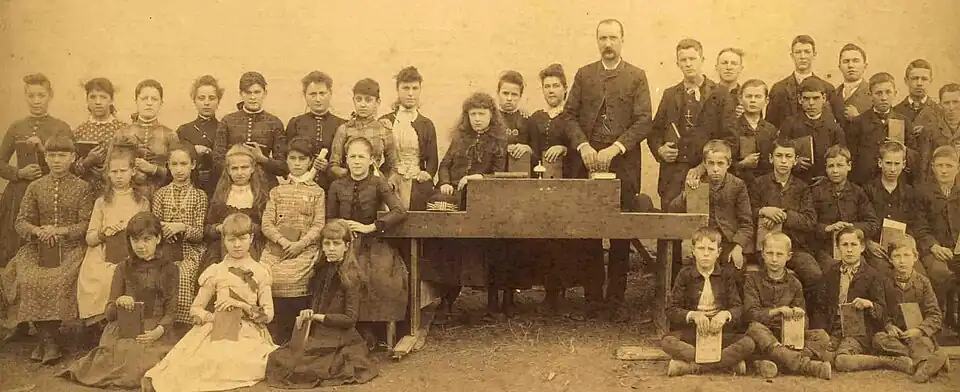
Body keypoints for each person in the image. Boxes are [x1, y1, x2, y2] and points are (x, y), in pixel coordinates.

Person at [561, 18, 654, 321]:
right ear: (597, 41)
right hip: (586, 163)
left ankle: (614, 301)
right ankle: (592, 299)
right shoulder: (584, 75)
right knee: (588, 231)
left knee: (620, 233)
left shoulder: (636, 76)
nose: (608, 43)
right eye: (603, 38)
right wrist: (584, 147)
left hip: (623, 165)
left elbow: (644, 120)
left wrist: (616, 148)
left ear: (623, 40)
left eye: (613, 37)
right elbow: (569, 115)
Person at [143, 213, 277, 392]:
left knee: (234, 361)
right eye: (231, 240)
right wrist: (211, 318)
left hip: (248, 331)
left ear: (251, 238)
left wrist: (242, 306)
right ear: (224, 240)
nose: (237, 245)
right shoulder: (216, 271)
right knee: (200, 362)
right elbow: (195, 309)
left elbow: (268, 315)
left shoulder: (261, 271)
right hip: (217, 327)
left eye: (242, 238)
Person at [59, 211, 179, 389]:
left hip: (156, 328)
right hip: (124, 328)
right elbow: (109, 314)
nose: (140, 246)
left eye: (146, 239)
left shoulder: (170, 269)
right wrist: (119, 302)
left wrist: (157, 332)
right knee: (118, 356)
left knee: (149, 360)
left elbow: (171, 311)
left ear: (158, 238)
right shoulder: (123, 268)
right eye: (135, 240)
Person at [0, 135, 93, 364]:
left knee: (58, 279)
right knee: (28, 276)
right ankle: (47, 339)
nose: (57, 161)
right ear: (46, 157)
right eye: (52, 156)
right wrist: (38, 231)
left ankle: (49, 340)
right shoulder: (35, 186)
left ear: (73, 158)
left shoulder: (83, 188)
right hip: (38, 247)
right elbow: (21, 221)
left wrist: (60, 231)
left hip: (71, 247)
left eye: (62, 156)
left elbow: (85, 223)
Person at [421, 92, 508, 323]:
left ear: (491, 115)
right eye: (472, 114)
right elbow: (445, 165)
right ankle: (447, 301)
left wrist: (477, 177)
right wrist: (446, 182)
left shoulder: (499, 141)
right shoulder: (460, 138)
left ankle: (492, 303)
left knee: (489, 249)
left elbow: (500, 173)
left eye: (481, 113)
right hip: (457, 200)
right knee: (451, 248)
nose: (477, 118)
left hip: (486, 202)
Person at [264, 220, 379, 388]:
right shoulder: (322, 269)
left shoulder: (351, 275)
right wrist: (309, 312)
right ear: (322, 246)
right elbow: (317, 303)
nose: (331, 248)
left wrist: (319, 317)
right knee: (278, 359)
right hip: (319, 332)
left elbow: (350, 319)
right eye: (327, 243)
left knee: (304, 368)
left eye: (336, 244)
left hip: (340, 336)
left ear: (346, 246)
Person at [327, 137, 408, 348]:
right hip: (344, 244)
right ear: (346, 159)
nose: (356, 161)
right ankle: (354, 332)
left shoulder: (378, 183)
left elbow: (400, 211)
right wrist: (341, 227)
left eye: (361, 157)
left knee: (381, 277)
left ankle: (379, 332)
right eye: (352, 156)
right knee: (346, 277)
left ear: (372, 160)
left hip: (374, 242)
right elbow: (329, 219)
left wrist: (370, 227)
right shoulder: (336, 185)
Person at [526, 63, 592, 314]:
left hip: (571, 183)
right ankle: (551, 293)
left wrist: (565, 149)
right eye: (547, 86)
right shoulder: (536, 118)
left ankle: (572, 291)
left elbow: (581, 146)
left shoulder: (572, 118)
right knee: (547, 238)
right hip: (544, 186)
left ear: (565, 89)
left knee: (571, 239)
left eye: (556, 86)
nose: (551, 90)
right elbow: (532, 152)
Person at [811, 226, 913, 374]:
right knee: (822, 356)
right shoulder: (830, 274)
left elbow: (883, 312)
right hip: (834, 329)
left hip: (859, 332)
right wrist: (823, 331)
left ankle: (889, 362)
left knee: (841, 361)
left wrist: (869, 304)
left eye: (853, 245)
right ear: (838, 248)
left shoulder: (873, 276)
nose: (849, 250)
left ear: (862, 247)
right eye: (844, 245)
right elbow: (819, 307)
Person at [0, 73, 72, 268]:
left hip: (49, 195)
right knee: (12, 247)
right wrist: (18, 173)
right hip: (18, 194)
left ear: (50, 96)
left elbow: (71, 162)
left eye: (41, 95)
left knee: (45, 249)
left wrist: (43, 151)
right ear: (25, 97)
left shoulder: (60, 127)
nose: (36, 101)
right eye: (31, 96)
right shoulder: (17, 127)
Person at [661, 226, 755, 376]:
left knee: (749, 343)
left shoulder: (726, 275)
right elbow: (671, 309)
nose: (705, 254)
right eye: (701, 248)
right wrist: (693, 315)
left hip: (720, 332)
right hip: (693, 332)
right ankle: (726, 364)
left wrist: (725, 315)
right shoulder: (685, 275)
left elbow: (738, 307)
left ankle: (692, 367)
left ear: (718, 253)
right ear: (693, 250)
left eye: (711, 249)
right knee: (667, 341)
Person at [749, 139, 822, 324]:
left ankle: (806, 322)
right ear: (771, 158)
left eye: (788, 157)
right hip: (765, 247)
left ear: (795, 160)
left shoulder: (802, 188)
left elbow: (810, 221)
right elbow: (746, 211)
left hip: (795, 248)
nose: (783, 161)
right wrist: (762, 211)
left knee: (814, 273)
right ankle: (763, 322)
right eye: (779, 156)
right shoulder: (758, 184)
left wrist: (784, 214)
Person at [261, 137, 326, 344]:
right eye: (292, 158)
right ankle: (271, 332)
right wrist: (282, 241)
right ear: (286, 161)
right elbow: (266, 223)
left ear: (310, 161)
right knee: (264, 275)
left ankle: (294, 335)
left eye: (302, 159)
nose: (297, 163)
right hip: (276, 249)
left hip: (304, 250)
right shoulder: (277, 191)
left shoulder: (317, 192)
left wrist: (299, 244)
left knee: (291, 278)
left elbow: (318, 225)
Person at [77, 147, 151, 326]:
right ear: (108, 174)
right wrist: (104, 233)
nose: (119, 176)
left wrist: (130, 231)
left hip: (132, 251)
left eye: (123, 171)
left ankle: (125, 321)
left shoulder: (142, 201)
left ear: (133, 171)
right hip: (103, 252)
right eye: (114, 172)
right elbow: (90, 238)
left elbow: (148, 233)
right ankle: (102, 324)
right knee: (97, 276)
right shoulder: (101, 202)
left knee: (124, 273)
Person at [743, 232, 832, 379]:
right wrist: (776, 311)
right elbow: (750, 313)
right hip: (765, 334)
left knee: (821, 336)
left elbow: (805, 323)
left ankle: (776, 362)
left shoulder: (794, 283)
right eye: (770, 253)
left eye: (779, 254)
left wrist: (798, 316)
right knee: (754, 329)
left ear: (788, 256)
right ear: (763, 255)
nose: (774, 259)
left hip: (788, 336)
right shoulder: (753, 280)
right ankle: (805, 365)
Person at [651, 38, 718, 206]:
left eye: (692, 59)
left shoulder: (719, 94)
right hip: (672, 176)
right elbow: (654, 131)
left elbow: (728, 138)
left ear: (702, 60)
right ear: (678, 64)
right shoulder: (670, 95)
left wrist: (703, 166)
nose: (688, 64)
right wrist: (661, 150)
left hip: (707, 174)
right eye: (683, 60)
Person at [873, 235, 949, 383]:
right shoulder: (883, 282)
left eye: (907, 255)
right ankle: (927, 360)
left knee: (923, 343)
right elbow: (881, 309)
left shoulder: (923, 283)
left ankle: (920, 367)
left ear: (915, 257)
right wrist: (888, 326)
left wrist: (920, 330)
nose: (902, 261)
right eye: (897, 256)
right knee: (878, 340)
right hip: (896, 337)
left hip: (917, 334)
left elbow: (935, 315)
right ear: (890, 259)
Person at [669, 140, 753, 273]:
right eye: (711, 163)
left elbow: (746, 224)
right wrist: (688, 194)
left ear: (728, 164)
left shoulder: (738, 185)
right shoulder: (697, 183)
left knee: (734, 269)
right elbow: (673, 209)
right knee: (695, 271)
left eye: (720, 164)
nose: (715, 169)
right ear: (705, 164)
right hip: (703, 244)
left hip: (728, 244)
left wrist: (738, 247)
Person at [151, 141, 209, 331]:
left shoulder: (200, 195)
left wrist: (182, 227)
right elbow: (154, 227)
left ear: (193, 165)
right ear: (167, 166)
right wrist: (164, 229)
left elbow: (199, 233)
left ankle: (181, 326)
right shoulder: (160, 194)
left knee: (183, 275)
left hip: (189, 251)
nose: (179, 169)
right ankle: (161, 324)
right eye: (174, 164)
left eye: (183, 164)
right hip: (164, 249)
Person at [809, 145, 880, 274]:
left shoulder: (858, 192)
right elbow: (809, 224)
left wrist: (851, 227)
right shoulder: (816, 192)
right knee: (833, 270)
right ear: (825, 168)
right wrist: (827, 228)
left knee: (864, 271)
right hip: (825, 249)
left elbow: (873, 223)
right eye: (831, 166)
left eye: (840, 165)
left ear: (849, 166)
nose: (835, 171)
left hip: (853, 247)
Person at [861, 141, 927, 279]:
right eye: (888, 163)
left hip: (902, 248)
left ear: (903, 164)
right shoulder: (867, 191)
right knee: (885, 275)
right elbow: (860, 221)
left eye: (897, 164)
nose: (892, 169)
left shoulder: (910, 192)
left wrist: (908, 243)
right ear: (880, 163)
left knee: (920, 275)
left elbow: (915, 223)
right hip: (877, 249)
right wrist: (867, 242)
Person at [212, 71, 288, 190]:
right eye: (248, 92)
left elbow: (283, 167)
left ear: (265, 93)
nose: (253, 97)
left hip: (265, 186)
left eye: (257, 92)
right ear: (241, 94)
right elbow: (217, 160)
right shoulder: (227, 121)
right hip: (232, 186)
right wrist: (238, 172)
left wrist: (262, 159)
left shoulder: (274, 122)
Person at [378, 66, 439, 211]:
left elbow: (432, 159)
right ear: (398, 90)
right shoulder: (385, 121)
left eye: (415, 88)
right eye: (405, 88)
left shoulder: (426, 124)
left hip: (416, 179)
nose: (411, 93)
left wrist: (427, 173)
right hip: (390, 178)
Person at [201, 144, 269, 271]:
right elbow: (207, 228)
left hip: (252, 246)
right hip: (223, 246)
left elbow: (266, 228)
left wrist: (248, 229)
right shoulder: (221, 195)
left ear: (253, 168)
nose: (239, 173)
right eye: (235, 168)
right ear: (228, 170)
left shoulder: (260, 195)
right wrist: (218, 228)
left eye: (244, 167)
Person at [847, 72, 918, 185]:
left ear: (895, 93)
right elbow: (851, 159)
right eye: (878, 93)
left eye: (888, 92)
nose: (884, 98)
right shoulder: (858, 123)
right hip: (866, 184)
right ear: (870, 95)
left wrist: (904, 149)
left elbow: (915, 157)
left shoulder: (904, 121)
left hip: (896, 185)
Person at [112, 79, 180, 196]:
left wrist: (154, 169)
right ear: (136, 101)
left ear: (161, 103)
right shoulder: (122, 134)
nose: (149, 103)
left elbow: (178, 171)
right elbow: (110, 169)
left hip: (161, 196)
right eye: (144, 98)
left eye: (154, 99)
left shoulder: (170, 135)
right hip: (127, 196)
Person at [914, 146, 960, 313]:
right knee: (939, 272)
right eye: (940, 166)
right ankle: (938, 318)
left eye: (949, 166)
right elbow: (920, 226)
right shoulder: (922, 192)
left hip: (957, 249)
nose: (944, 171)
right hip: (933, 249)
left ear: (958, 168)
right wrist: (933, 246)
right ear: (933, 167)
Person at [776, 77, 846, 184]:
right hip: (796, 182)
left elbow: (841, 157)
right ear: (800, 99)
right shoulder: (789, 124)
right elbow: (779, 150)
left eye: (816, 98)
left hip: (825, 182)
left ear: (824, 98)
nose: (811, 103)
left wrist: (827, 177)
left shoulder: (834, 127)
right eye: (806, 98)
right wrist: (794, 162)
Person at [285, 71, 347, 191]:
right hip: (300, 188)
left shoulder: (342, 125)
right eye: (312, 94)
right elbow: (286, 158)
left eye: (322, 93)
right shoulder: (296, 123)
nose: (318, 99)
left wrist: (329, 168)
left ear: (330, 93)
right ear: (305, 95)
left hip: (334, 188)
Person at [328, 78, 399, 182]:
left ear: (377, 102)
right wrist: (353, 173)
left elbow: (394, 165)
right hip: (348, 184)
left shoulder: (384, 130)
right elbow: (333, 166)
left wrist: (386, 184)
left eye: (368, 100)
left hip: (375, 185)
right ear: (354, 100)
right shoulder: (344, 129)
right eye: (359, 99)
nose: (363, 104)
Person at [766, 35, 840, 129]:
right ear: (792, 56)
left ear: (814, 55)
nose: (802, 56)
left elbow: (835, 123)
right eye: (798, 52)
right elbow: (770, 125)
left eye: (807, 52)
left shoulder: (827, 88)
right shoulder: (779, 89)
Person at [72, 77, 128, 196]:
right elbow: (71, 168)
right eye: (93, 97)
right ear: (87, 100)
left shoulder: (124, 129)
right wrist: (88, 162)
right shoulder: (79, 131)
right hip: (85, 192)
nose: (97, 102)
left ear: (111, 100)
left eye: (103, 97)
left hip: (115, 190)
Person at [894, 60, 942, 183]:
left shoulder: (940, 112)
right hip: (902, 178)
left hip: (930, 178)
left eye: (924, 79)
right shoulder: (895, 112)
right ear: (906, 81)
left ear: (931, 80)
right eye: (915, 78)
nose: (919, 83)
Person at [176, 75, 224, 197]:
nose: (206, 103)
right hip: (189, 190)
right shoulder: (184, 131)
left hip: (218, 189)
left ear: (218, 101)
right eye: (201, 98)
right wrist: (192, 151)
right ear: (194, 100)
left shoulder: (224, 129)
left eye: (212, 98)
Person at [696, 48, 745, 149]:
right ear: (716, 67)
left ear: (741, 68)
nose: (729, 67)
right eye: (724, 63)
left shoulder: (747, 97)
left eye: (734, 63)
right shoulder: (706, 95)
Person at [498, 70, 535, 173]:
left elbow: (537, 151)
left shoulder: (527, 120)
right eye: (505, 93)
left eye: (514, 94)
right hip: (495, 174)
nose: (509, 98)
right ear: (498, 93)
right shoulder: (491, 119)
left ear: (520, 96)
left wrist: (527, 149)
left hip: (521, 174)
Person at [830, 44, 873, 133]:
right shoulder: (832, 94)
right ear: (840, 67)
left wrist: (858, 118)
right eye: (846, 61)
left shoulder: (874, 93)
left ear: (865, 66)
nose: (850, 65)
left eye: (855, 61)